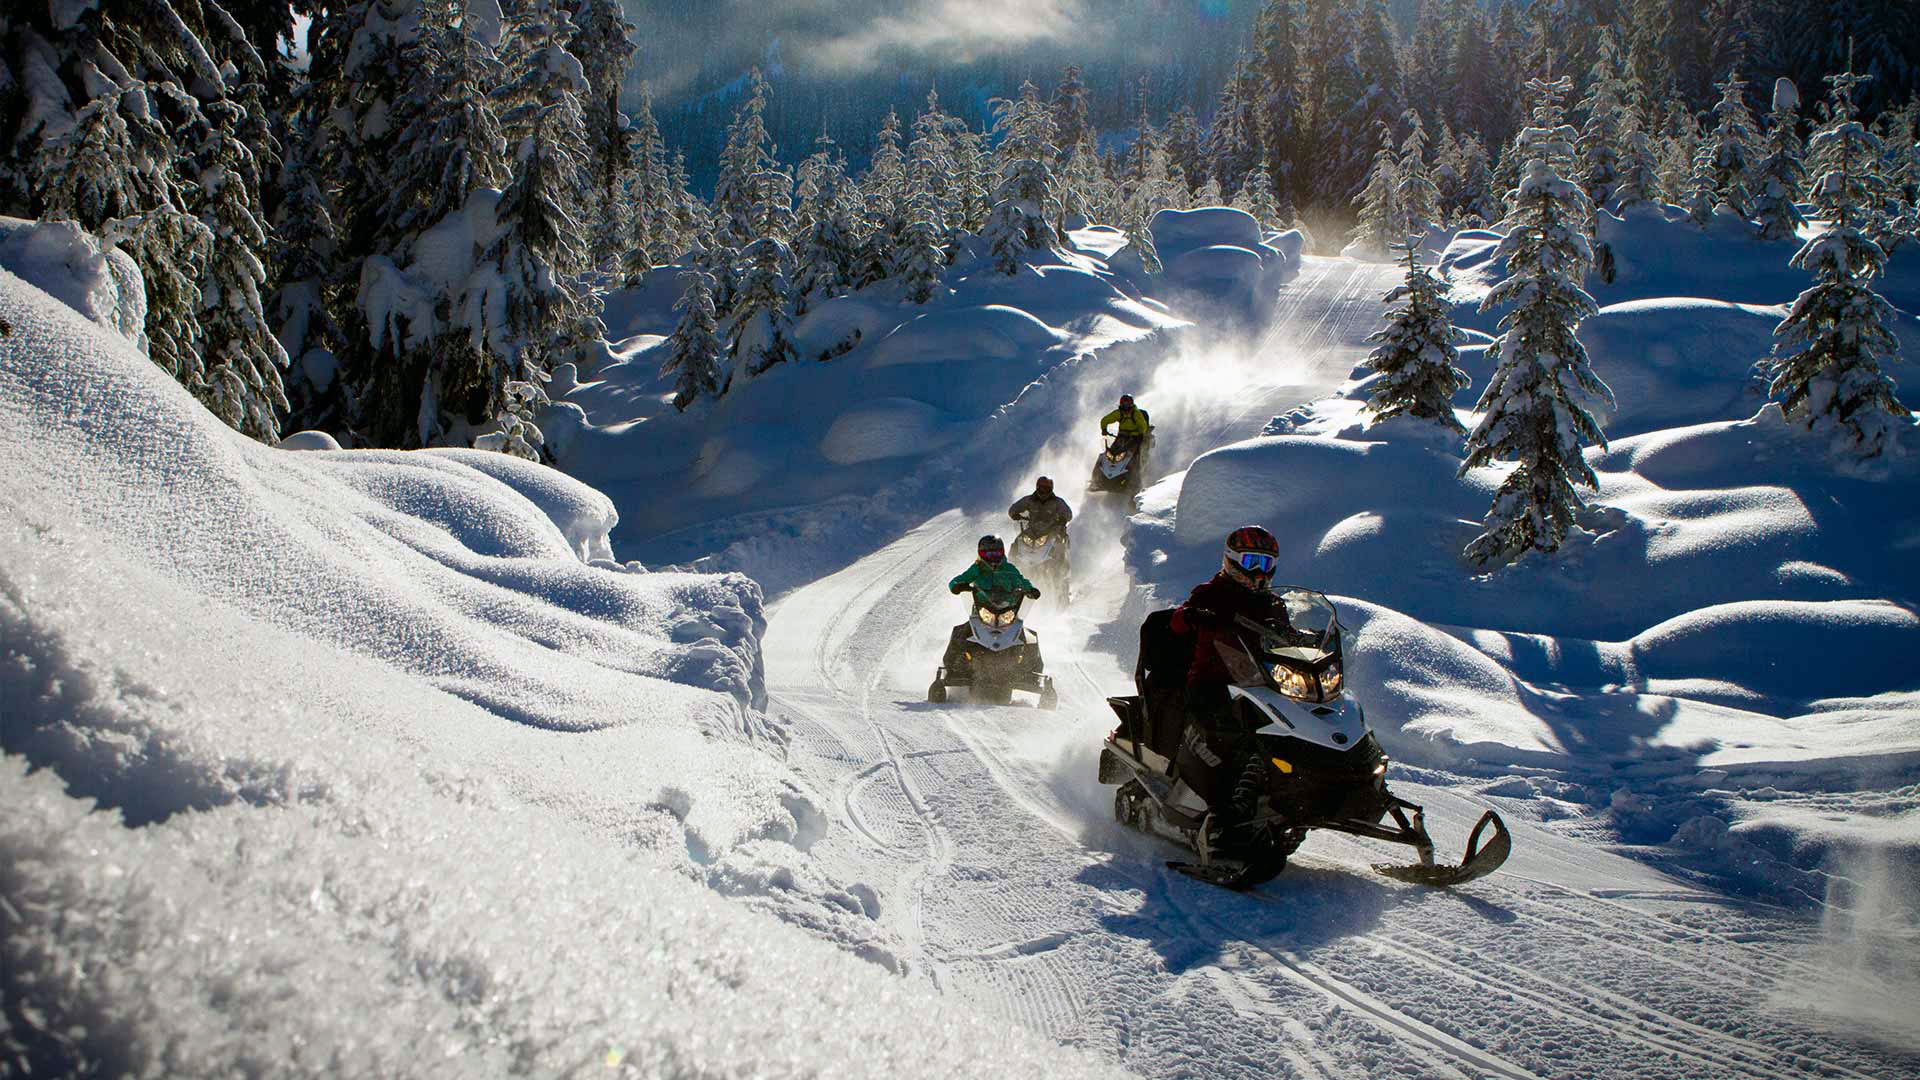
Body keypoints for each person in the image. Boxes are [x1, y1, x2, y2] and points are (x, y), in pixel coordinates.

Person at [1166, 525, 1288, 845]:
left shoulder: (1274, 604)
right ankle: (1221, 811)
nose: (1258, 572)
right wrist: (1194, 615)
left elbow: (1286, 637)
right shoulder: (1212, 592)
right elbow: (1179, 620)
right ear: (1232, 560)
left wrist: (1305, 640)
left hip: (1263, 686)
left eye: (1265, 563)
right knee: (1233, 738)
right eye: (1252, 562)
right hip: (1213, 682)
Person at [948, 534, 1041, 602]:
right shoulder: (977, 569)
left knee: (1020, 627)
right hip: (981, 609)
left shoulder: (1009, 569)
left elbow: (1021, 581)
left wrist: (1030, 589)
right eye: (987, 554)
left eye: (996, 553)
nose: (992, 557)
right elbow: (960, 579)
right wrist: (956, 586)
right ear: (981, 554)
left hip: (1009, 609)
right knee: (963, 628)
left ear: (1002, 552)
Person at [1008, 476, 1073, 540]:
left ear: (1051, 489)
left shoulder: (1057, 501)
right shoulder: (1029, 500)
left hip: (1052, 532)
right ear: (1037, 487)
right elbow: (1013, 509)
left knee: (1059, 544)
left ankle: (1064, 549)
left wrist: (1063, 519)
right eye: (1042, 488)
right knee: (1017, 541)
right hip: (1032, 532)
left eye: (1047, 489)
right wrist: (1014, 514)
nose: (1044, 491)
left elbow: (1069, 513)